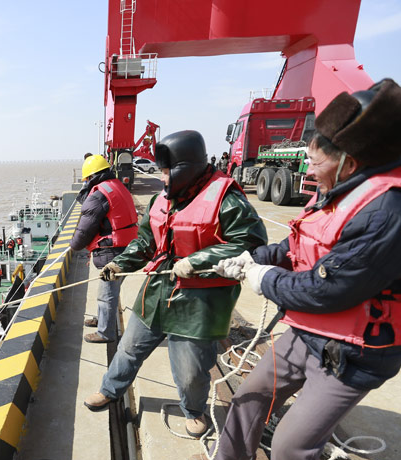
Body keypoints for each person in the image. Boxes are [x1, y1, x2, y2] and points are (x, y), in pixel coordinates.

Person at [186, 79, 401, 460]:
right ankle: (233, 457)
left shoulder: (395, 211)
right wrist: (245, 259)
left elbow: (332, 290)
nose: (308, 168)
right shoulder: (347, 189)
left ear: (350, 159)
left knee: (292, 444)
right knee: (250, 392)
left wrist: (262, 280)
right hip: (316, 331)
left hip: (359, 348)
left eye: (315, 160)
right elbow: (299, 247)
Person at [83, 131, 267, 439]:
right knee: (129, 348)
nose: (162, 177)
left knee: (190, 370)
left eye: (167, 171)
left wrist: (198, 260)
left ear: (186, 167)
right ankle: (110, 390)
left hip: (199, 303)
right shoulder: (161, 199)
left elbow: (250, 242)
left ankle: (194, 411)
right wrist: (119, 264)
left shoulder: (227, 199)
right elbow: (144, 241)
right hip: (157, 293)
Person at [69, 154, 139, 344]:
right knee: (107, 290)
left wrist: (73, 245)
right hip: (127, 247)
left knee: (107, 294)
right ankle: (101, 321)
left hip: (114, 251)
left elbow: (84, 231)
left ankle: (105, 333)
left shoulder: (98, 195)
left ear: (90, 177)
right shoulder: (115, 185)